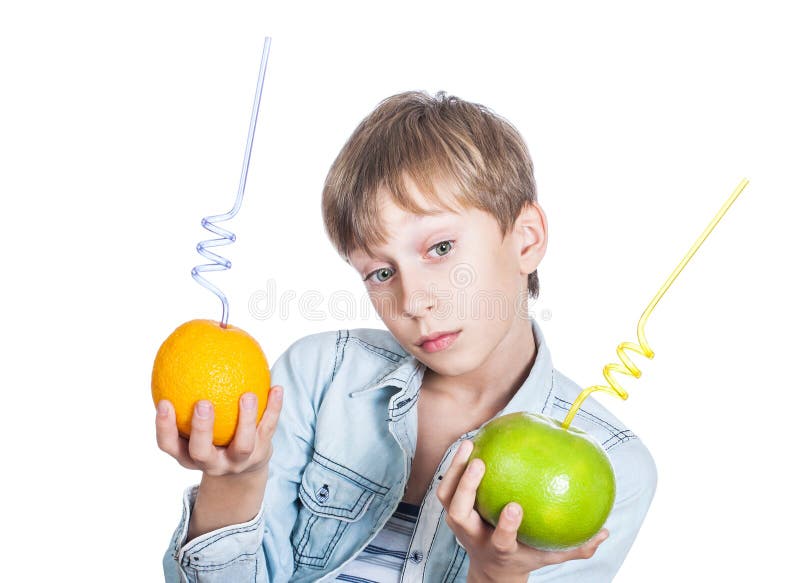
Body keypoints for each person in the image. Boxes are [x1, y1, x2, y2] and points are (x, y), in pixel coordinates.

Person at [156, 90, 657, 582]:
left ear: (525, 239)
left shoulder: (613, 470)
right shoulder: (317, 378)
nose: (414, 302)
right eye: (380, 273)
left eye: (440, 247)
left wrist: (498, 575)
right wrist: (234, 478)